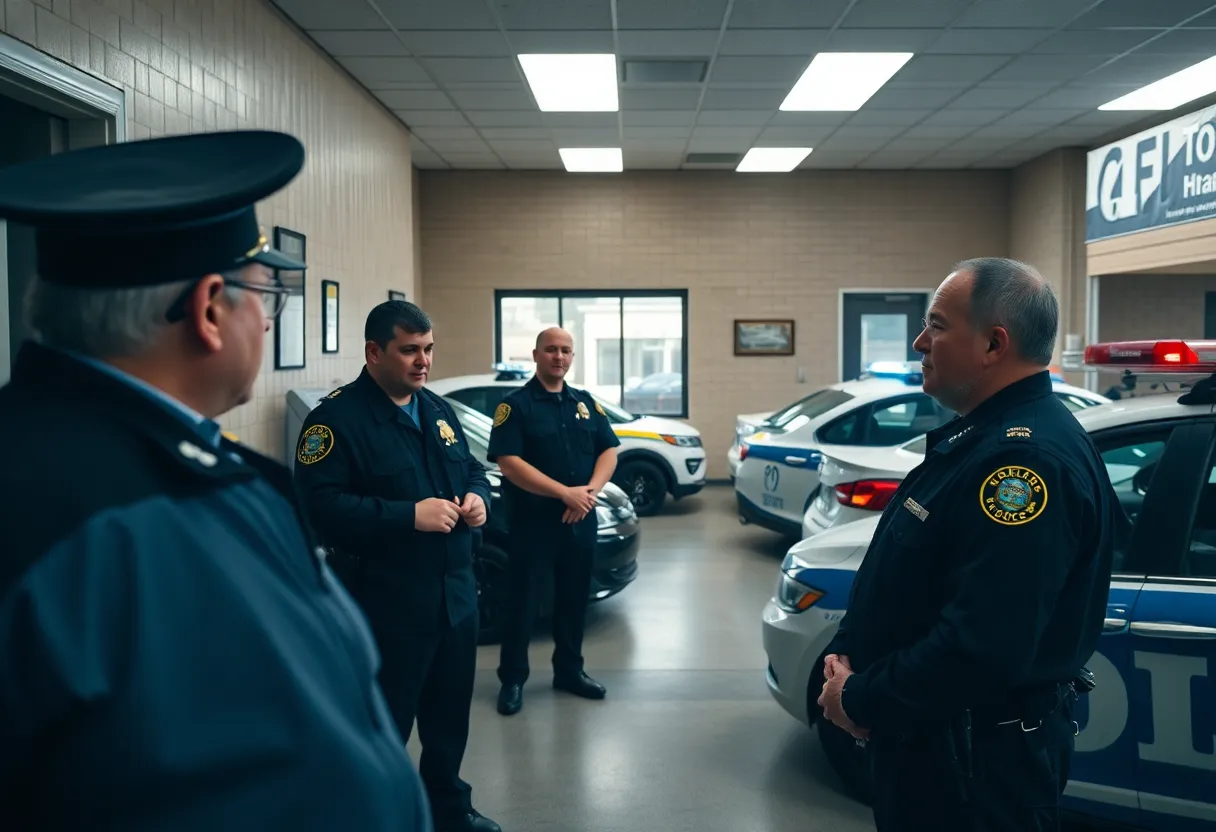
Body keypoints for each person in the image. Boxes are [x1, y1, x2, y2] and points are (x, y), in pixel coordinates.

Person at [0, 132, 431, 830]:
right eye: (261, 295)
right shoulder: (116, 519)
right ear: (207, 310)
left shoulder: (183, 468)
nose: (264, 318)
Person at [817, 258, 1119, 831]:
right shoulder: (980, 440)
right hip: (941, 750)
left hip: (973, 770)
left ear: (993, 344)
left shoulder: (1021, 463)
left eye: (937, 325)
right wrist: (849, 652)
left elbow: (983, 644)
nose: (919, 341)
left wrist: (861, 697)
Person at [292, 301, 500, 832]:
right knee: (384, 726)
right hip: (384, 602)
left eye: (428, 349)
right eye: (410, 350)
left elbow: (473, 468)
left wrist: (478, 499)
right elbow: (319, 507)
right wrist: (408, 515)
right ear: (374, 351)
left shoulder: (436, 409)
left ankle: (448, 811)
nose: (423, 361)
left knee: (449, 720)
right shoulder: (335, 422)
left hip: (454, 597)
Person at [488, 327, 620, 716]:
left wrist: (588, 493)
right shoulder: (514, 406)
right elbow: (509, 463)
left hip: (580, 520)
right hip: (534, 523)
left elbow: (609, 450)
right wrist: (565, 492)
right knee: (523, 603)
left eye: (565, 351)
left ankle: (569, 671)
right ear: (535, 355)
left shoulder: (584, 404)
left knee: (574, 600)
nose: (558, 356)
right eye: (551, 350)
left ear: (572, 357)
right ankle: (512, 679)